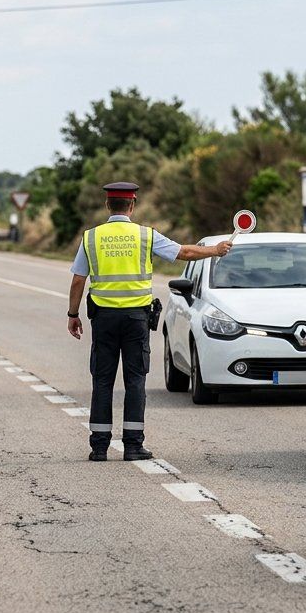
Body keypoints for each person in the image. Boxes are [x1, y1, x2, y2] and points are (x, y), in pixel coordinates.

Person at [66, 182, 232, 461]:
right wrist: (215, 250)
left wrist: (73, 315)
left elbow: (78, 280)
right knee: (135, 381)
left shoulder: (91, 238)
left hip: (104, 320)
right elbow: (184, 253)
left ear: (108, 205)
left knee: (103, 381)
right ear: (132, 205)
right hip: (136, 320)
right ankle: (132, 446)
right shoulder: (145, 236)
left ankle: (99, 448)